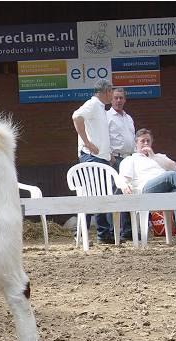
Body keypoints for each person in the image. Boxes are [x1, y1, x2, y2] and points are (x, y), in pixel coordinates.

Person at [119, 129, 176, 247]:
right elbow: (123, 178)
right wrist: (124, 186)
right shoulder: (131, 159)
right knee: (170, 176)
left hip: (166, 188)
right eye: (142, 141)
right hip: (146, 189)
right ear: (136, 143)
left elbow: (174, 167)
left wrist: (153, 157)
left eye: (148, 141)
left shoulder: (158, 157)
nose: (145, 143)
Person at [72, 79, 114, 243]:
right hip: (91, 157)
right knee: (94, 194)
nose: (112, 95)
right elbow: (76, 117)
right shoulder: (93, 104)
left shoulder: (100, 108)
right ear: (106, 91)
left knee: (97, 194)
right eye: (111, 91)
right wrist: (87, 143)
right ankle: (97, 233)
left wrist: (107, 154)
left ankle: (97, 233)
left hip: (99, 157)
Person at [106, 87, 136, 241]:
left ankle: (128, 231)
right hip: (115, 160)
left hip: (129, 159)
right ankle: (114, 231)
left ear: (125, 100)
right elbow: (104, 138)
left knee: (129, 193)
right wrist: (109, 155)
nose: (118, 100)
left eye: (121, 98)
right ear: (111, 100)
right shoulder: (106, 117)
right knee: (116, 195)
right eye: (115, 98)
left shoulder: (128, 118)